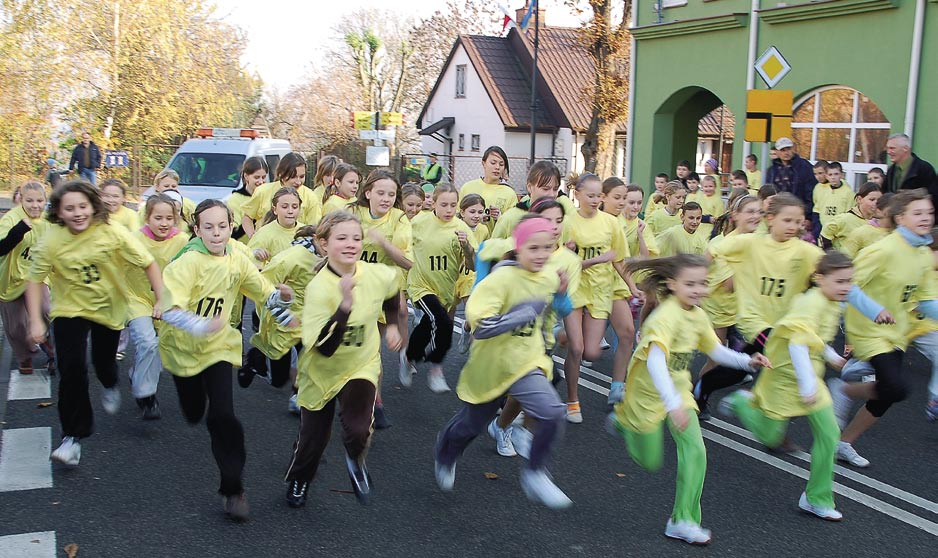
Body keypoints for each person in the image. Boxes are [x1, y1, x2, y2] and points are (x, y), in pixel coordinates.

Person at [608, 254, 770, 546]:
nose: (698, 290)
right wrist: (671, 405)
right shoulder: (666, 316)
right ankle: (624, 421)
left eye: (703, 283)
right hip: (647, 394)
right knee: (650, 460)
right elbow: (656, 363)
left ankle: (683, 521)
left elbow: (715, 350)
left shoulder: (697, 315)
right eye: (691, 284)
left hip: (679, 389)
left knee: (696, 451)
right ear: (672, 284)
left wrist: (748, 361)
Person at [159, 199, 297, 520]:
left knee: (222, 416)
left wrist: (284, 307)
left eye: (222, 226)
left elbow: (263, 292)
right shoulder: (187, 262)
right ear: (197, 230)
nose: (217, 233)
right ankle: (193, 403)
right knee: (194, 411)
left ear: (230, 225)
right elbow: (169, 310)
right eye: (208, 227)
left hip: (219, 347)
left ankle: (233, 488)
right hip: (183, 349)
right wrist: (201, 324)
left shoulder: (238, 257)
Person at [694, 193, 892, 417]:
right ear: (770, 219)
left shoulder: (806, 252)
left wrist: (873, 309)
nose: (793, 226)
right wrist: (696, 284)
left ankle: (721, 393)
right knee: (788, 350)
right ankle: (829, 365)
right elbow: (710, 254)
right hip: (754, 321)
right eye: (787, 220)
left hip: (786, 321)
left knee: (748, 367)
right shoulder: (748, 243)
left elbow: (839, 279)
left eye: (798, 222)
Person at [434, 217, 572, 509]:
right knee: (470, 426)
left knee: (552, 413)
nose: (541, 255)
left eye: (548, 248)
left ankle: (535, 472)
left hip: (527, 362)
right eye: (533, 248)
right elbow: (481, 325)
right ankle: (446, 453)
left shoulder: (549, 275)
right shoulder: (500, 279)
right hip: (491, 365)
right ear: (519, 248)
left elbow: (560, 308)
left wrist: (560, 295)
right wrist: (522, 314)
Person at [26, 180, 163, 466]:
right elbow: (35, 279)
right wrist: (36, 322)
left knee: (103, 363)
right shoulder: (52, 239)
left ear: (93, 206)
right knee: (71, 368)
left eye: (82, 207)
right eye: (69, 208)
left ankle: (110, 381)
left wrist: (161, 299)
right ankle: (72, 437)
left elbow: (148, 263)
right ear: (59, 213)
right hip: (69, 309)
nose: (77, 213)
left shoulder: (112, 232)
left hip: (108, 308)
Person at [721, 251, 855, 522]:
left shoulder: (832, 302)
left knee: (829, 435)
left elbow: (815, 340)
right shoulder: (810, 304)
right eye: (840, 281)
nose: (846, 287)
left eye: (849, 281)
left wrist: (832, 358)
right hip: (783, 378)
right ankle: (743, 402)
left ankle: (816, 498)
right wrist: (807, 386)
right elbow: (797, 343)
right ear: (819, 279)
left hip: (810, 377)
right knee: (771, 437)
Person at [283, 211, 402, 508]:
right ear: (323, 243)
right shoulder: (319, 288)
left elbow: (392, 292)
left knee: (359, 428)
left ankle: (354, 459)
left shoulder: (373, 274)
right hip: (321, 371)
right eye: (342, 238)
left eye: (356, 238)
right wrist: (345, 305)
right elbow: (323, 347)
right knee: (313, 440)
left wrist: (391, 327)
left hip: (359, 364)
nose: (351, 244)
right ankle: (300, 479)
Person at [828, 189, 938, 468]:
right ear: (900, 218)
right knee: (896, 386)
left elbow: (926, 301)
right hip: (866, 327)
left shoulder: (923, 254)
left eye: (929, 212)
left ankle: (844, 442)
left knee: (891, 394)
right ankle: (846, 389)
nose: (925, 218)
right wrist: (874, 310)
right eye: (918, 213)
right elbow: (847, 284)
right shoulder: (882, 250)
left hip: (896, 331)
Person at [563, 173, 630, 423]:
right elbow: (564, 262)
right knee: (577, 348)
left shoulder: (611, 224)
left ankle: (563, 333)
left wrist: (634, 287)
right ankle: (572, 401)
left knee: (592, 352)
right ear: (577, 194)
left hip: (600, 291)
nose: (594, 200)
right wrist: (595, 259)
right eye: (589, 195)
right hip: (575, 288)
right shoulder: (568, 222)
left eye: (598, 195)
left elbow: (619, 260)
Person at [349, 169, 414, 426]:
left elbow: (408, 262)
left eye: (391, 194)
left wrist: (382, 243)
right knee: (357, 349)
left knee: (371, 350)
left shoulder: (399, 220)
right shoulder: (353, 213)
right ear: (368, 193)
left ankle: (375, 403)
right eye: (381, 193)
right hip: (352, 290)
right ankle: (369, 401)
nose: (386, 198)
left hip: (382, 292)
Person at [239, 226, 321, 418]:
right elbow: (261, 286)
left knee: (309, 356)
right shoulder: (292, 257)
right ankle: (255, 359)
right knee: (278, 379)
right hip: (284, 318)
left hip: (311, 319)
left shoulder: (338, 257)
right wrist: (283, 311)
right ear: (320, 239)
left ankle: (298, 395)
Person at [402, 184, 477, 392]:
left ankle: (409, 357)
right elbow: (401, 240)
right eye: (443, 205)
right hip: (420, 285)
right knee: (442, 321)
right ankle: (436, 368)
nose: (448, 210)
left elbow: (472, 265)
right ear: (433, 204)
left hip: (445, 291)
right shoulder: (419, 222)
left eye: (453, 205)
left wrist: (467, 248)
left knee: (427, 327)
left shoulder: (461, 229)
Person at [124, 194, 188, 419]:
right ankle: (146, 397)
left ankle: (137, 374)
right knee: (147, 341)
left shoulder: (182, 240)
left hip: (167, 302)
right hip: (137, 298)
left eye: (169, 218)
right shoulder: (134, 239)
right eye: (158, 218)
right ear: (147, 218)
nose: (163, 223)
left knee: (157, 349)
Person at [0, 182, 52, 375]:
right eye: (29, 201)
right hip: (10, 278)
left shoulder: (48, 221)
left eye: (40, 201)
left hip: (37, 276)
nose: (35, 205)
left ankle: (49, 345)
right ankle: (25, 356)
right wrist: (18, 231)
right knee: (15, 327)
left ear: (45, 201)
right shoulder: (11, 219)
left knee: (47, 309)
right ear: (21, 200)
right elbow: (1, 248)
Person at [241, 153, 320, 238]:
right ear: (281, 174)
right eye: (293, 177)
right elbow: (247, 218)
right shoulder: (263, 191)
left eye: (302, 176)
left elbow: (314, 229)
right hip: (266, 246)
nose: (298, 182)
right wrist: (253, 237)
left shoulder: (310, 197)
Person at [764, 137, 818, 235]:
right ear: (777, 152)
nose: (786, 153)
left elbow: (811, 194)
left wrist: (808, 217)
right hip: (778, 216)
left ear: (793, 149)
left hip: (799, 216)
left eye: (788, 149)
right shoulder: (772, 171)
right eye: (782, 150)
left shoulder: (804, 167)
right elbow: (768, 194)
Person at [459, 146, 517, 231]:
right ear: (484, 163)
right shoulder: (467, 187)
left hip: (495, 243)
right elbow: (457, 217)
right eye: (493, 163)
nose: (497, 167)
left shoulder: (510, 194)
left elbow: (512, 226)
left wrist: (499, 218)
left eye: (501, 164)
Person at [248, 187, 303, 266]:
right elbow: (246, 260)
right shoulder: (263, 234)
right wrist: (255, 254)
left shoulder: (306, 232)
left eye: (294, 207)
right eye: (284, 207)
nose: (290, 211)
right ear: (275, 209)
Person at [818, 183, 881, 250]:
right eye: (872, 200)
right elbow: (825, 234)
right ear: (859, 199)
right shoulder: (845, 219)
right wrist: (831, 255)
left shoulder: (881, 221)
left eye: (879, 200)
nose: (876, 203)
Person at [138, 170, 196, 234]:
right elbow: (140, 226)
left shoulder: (188, 204)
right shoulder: (149, 206)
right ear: (157, 187)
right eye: (166, 186)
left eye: (173, 186)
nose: (170, 188)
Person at [228, 156, 269, 243]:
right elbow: (233, 233)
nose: (261, 182)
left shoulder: (270, 196)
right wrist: (251, 216)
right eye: (256, 177)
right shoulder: (235, 199)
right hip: (243, 249)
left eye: (263, 177)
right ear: (246, 176)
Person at [885, 133, 938, 199]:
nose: (888, 152)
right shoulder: (891, 170)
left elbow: (933, 197)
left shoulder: (925, 169)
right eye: (887, 148)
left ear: (905, 148)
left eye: (892, 148)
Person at [813, 162, 855, 230]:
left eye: (836, 174)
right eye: (830, 175)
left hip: (840, 228)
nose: (833, 177)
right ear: (826, 176)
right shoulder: (820, 189)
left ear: (841, 175)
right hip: (823, 227)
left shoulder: (848, 192)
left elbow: (849, 214)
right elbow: (817, 207)